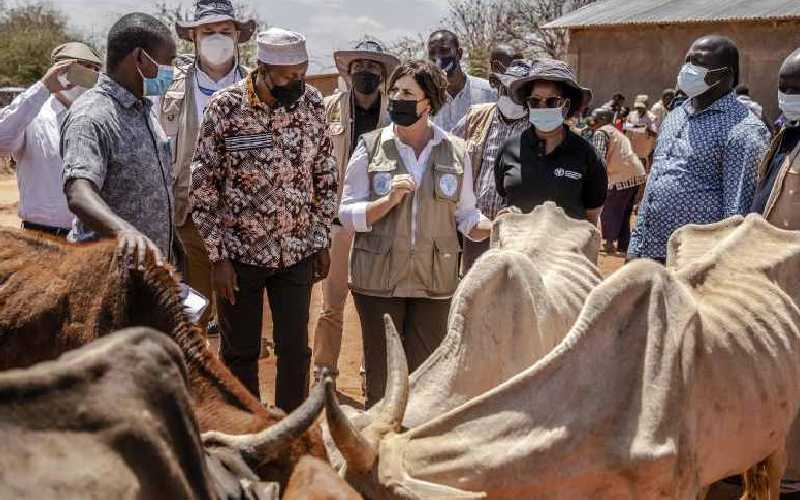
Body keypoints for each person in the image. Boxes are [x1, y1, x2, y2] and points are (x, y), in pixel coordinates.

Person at [191, 28, 337, 411]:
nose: (298, 83)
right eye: (289, 76)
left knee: (294, 350)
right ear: (263, 68)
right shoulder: (226, 108)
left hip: (298, 250)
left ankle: (292, 428)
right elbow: (203, 185)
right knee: (240, 352)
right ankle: (246, 431)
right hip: (239, 256)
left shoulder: (312, 104)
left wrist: (321, 239)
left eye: (302, 73)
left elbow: (324, 174)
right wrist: (218, 257)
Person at [339, 59, 492, 408]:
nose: (396, 98)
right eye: (393, 91)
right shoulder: (370, 146)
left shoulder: (456, 151)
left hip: (433, 284)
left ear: (429, 102)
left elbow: (467, 216)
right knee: (382, 381)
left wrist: (498, 227)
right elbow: (347, 214)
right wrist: (387, 201)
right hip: (378, 282)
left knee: (424, 379)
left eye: (407, 92)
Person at [628, 35, 770, 264]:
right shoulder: (675, 116)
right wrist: (635, 248)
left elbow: (736, 214)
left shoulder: (744, 130)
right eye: (687, 61)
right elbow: (655, 183)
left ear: (726, 74)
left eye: (698, 64)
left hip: (695, 264)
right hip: (648, 253)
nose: (687, 69)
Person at [157, 0, 255, 329]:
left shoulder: (257, 88)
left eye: (225, 31)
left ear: (238, 35)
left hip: (246, 222)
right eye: (208, 31)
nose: (216, 38)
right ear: (194, 37)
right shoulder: (168, 87)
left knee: (241, 324)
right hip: (189, 219)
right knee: (191, 316)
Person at [61, 13, 177, 268]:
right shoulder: (91, 115)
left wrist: (174, 246)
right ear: (139, 58)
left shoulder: (144, 110)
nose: (172, 72)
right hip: (108, 276)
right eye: (168, 62)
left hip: (150, 276)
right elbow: (78, 192)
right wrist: (125, 232)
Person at [313, 40, 399, 379]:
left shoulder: (396, 114)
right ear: (349, 73)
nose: (366, 74)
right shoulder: (326, 109)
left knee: (374, 301)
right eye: (360, 68)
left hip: (378, 219)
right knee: (332, 300)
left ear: (382, 76)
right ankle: (324, 368)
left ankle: (371, 368)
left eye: (374, 69)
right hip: (336, 219)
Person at [0, 42, 102, 238]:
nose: (90, 75)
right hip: (41, 238)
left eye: (95, 70)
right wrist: (43, 88)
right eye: (82, 68)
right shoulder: (32, 114)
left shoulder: (102, 115)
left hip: (92, 241)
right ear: (59, 70)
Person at [495, 58, 607, 224]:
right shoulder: (509, 149)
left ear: (566, 105)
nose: (542, 108)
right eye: (535, 101)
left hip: (564, 248)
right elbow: (504, 196)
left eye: (552, 102)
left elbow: (591, 218)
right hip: (517, 247)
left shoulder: (587, 155)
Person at [452, 59, 532, 273]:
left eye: (517, 92)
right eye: (505, 89)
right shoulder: (477, 116)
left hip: (517, 231)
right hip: (477, 226)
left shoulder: (537, 127)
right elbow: (450, 150)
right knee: (473, 282)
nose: (508, 96)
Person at [751, 48, 800, 230]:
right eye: (783, 88)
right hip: (767, 248)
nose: (788, 95)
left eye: (797, 89)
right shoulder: (786, 132)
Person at [587, 107, 646, 254]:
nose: (591, 122)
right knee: (624, 212)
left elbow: (599, 158)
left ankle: (608, 243)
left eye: (594, 118)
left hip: (621, 176)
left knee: (610, 209)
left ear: (602, 120)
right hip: (634, 174)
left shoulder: (601, 132)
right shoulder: (613, 131)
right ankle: (623, 245)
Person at [427, 30, 496, 132]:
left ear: (459, 53)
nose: (438, 58)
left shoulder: (489, 93)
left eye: (444, 50)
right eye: (432, 53)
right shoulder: (424, 98)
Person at [624, 94, 658, 170]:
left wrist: (646, 129)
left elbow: (655, 133)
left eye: (641, 107)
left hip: (644, 149)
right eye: (638, 107)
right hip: (632, 147)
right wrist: (631, 126)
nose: (639, 109)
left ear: (646, 106)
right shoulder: (631, 115)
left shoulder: (651, 117)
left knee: (642, 169)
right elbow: (625, 127)